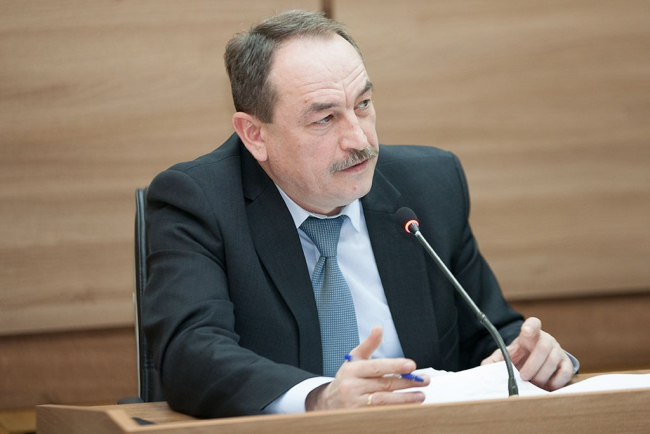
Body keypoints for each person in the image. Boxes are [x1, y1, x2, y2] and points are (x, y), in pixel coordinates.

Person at [143, 10, 577, 419]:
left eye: (363, 104)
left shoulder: (430, 187)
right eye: (325, 119)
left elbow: (492, 332)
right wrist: (319, 398)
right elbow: (190, 353)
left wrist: (532, 357)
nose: (359, 139)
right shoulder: (199, 202)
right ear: (255, 134)